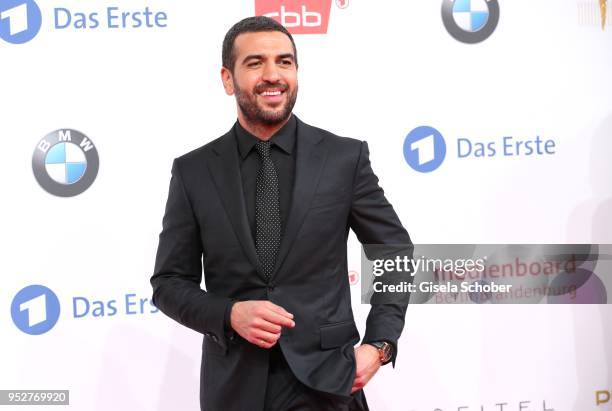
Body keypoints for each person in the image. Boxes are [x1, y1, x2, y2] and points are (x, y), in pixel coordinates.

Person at [150, 16, 412, 411]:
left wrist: (380, 344)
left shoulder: (343, 158)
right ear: (227, 78)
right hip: (235, 387)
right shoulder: (194, 171)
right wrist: (230, 313)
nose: (273, 75)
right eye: (255, 63)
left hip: (328, 383)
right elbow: (169, 282)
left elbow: (393, 250)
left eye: (284, 62)